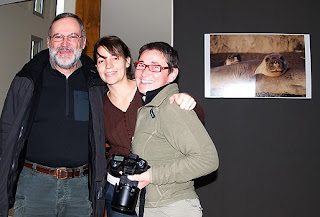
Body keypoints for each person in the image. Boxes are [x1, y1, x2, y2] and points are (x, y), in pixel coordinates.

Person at [0, 13, 106, 217]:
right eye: (58, 37)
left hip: (81, 189)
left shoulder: (96, 83)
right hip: (34, 186)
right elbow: (6, 131)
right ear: (49, 41)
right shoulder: (27, 80)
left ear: (83, 42)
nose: (65, 43)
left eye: (72, 36)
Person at [93, 36, 205, 217]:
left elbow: (193, 120)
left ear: (128, 61)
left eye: (115, 58)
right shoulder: (98, 103)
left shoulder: (149, 90)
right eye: (101, 60)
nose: (108, 65)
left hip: (158, 189)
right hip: (120, 189)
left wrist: (188, 100)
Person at [127, 42, 219, 217]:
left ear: (172, 74)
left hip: (171, 208)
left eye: (155, 67)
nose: (145, 72)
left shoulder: (171, 107)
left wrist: (152, 175)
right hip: (152, 207)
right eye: (141, 65)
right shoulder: (147, 109)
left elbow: (208, 160)